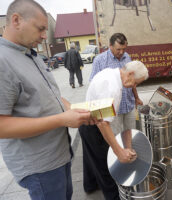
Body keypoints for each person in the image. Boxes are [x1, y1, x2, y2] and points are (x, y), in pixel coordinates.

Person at [0, 1, 95, 199]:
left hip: (58, 155)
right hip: (39, 165)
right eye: (41, 28)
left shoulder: (30, 54)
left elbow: (47, 95)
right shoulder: (3, 60)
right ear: (16, 20)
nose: (45, 35)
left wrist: (77, 110)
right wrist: (62, 120)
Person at [79, 60, 148, 199]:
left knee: (90, 157)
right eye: (136, 82)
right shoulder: (113, 88)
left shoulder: (110, 72)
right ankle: (113, 196)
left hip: (86, 122)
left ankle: (90, 185)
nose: (134, 86)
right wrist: (119, 152)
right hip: (93, 126)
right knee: (105, 167)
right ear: (130, 74)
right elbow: (103, 123)